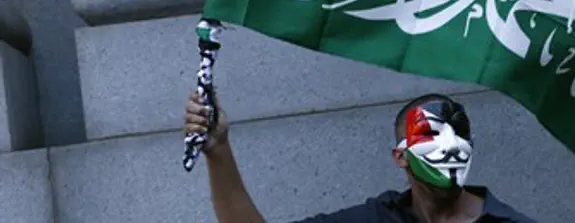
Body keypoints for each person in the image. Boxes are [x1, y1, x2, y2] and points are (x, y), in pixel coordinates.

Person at [184, 91, 538, 222]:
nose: (450, 145)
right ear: (400, 156)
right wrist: (219, 151)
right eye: (430, 134)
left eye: (459, 133)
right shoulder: (377, 217)